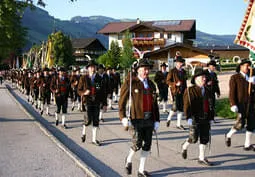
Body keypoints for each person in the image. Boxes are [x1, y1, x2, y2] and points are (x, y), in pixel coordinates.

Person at [119, 58, 160, 177]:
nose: (146, 72)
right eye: (143, 69)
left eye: (147, 69)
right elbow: (122, 101)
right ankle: (129, 159)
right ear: (138, 70)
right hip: (136, 119)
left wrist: (157, 120)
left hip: (149, 119)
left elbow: (155, 104)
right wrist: (123, 117)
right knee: (137, 144)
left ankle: (141, 170)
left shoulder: (151, 84)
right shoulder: (131, 83)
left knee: (147, 145)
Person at [181, 68, 214, 166]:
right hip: (195, 117)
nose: (204, 79)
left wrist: (211, 117)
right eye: (202, 77)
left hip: (206, 117)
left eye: (205, 77)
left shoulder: (208, 90)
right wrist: (188, 117)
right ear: (195, 78)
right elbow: (187, 105)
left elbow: (211, 105)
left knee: (204, 138)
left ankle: (201, 158)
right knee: (193, 138)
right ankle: (184, 146)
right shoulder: (190, 90)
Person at [225, 59, 255, 151]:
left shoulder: (251, 77)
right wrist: (233, 104)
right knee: (240, 124)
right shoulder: (235, 77)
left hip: (251, 103)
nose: (247, 67)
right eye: (246, 65)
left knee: (251, 123)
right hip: (240, 104)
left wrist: (253, 83)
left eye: (249, 66)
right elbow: (232, 92)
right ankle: (228, 135)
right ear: (241, 67)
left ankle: (247, 144)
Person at [78, 60, 107, 146]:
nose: (92, 68)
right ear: (88, 69)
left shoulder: (99, 78)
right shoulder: (83, 78)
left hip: (96, 101)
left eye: (94, 67)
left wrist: (104, 104)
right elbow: (78, 90)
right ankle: (84, 132)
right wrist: (84, 93)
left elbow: (102, 91)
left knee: (95, 121)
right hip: (87, 101)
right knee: (88, 120)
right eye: (91, 67)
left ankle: (94, 139)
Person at [166, 56, 187, 129]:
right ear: (176, 63)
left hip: (183, 91)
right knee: (175, 107)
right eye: (179, 62)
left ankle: (178, 124)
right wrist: (175, 84)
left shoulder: (184, 71)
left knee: (181, 107)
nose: (180, 64)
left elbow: (185, 82)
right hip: (175, 91)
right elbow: (168, 81)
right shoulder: (172, 71)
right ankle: (169, 118)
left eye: (181, 62)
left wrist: (186, 90)